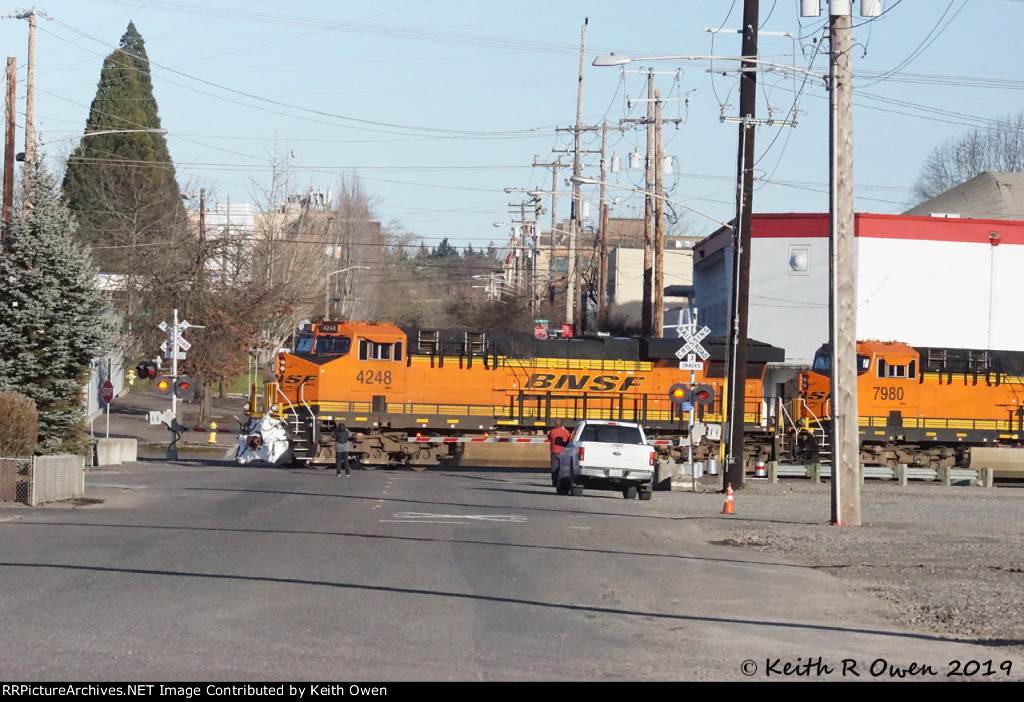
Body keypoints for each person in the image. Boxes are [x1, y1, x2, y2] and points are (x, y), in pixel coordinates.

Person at [547, 419, 571, 487]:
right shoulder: (566, 432)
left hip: (554, 452)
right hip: (564, 452)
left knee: (554, 467)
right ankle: (563, 482)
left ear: (556, 425)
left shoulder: (552, 431)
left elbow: (549, 438)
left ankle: (555, 482)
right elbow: (569, 439)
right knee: (564, 468)